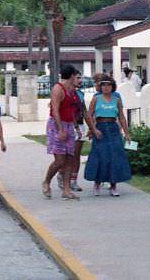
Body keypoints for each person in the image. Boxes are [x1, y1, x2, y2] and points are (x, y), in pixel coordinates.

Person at [85, 74, 132, 196]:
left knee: (114, 156)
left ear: (112, 87)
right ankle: (97, 183)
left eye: (108, 85)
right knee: (100, 156)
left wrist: (126, 133)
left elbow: (121, 116)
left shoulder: (116, 100)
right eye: (104, 85)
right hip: (100, 128)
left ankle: (113, 185)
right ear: (100, 87)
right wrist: (93, 129)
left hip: (113, 129)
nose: (106, 87)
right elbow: (89, 115)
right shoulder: (96, 99)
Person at [42, 65, 82, 200]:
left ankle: (66, 189)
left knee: (70, 158)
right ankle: (47, 181)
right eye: (75, 76)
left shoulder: (73, 91)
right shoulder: (58, 89)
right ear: (71, 75)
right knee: (59, 160)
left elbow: (72, 111)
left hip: (69, 124)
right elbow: (55, 110)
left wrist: (76, 127)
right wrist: (60, 129)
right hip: (56, 125)